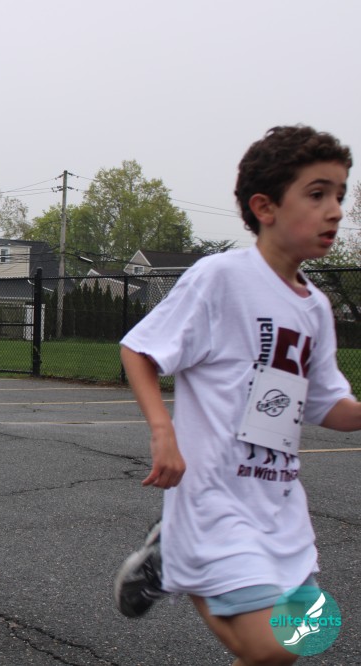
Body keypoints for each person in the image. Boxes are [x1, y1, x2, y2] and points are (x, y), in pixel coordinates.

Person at [113, 125, 361, 665]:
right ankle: (178, 559)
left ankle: (170, 557)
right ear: (265, 207)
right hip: (215, 496)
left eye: (340, 195)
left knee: (309, 634)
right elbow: (139, 350)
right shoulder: (223, 277)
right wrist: (163, 433)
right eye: (317, 194)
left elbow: (328, 406)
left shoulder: (316, 308)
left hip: (279, 500)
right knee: (272, 648)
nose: (335, 211)